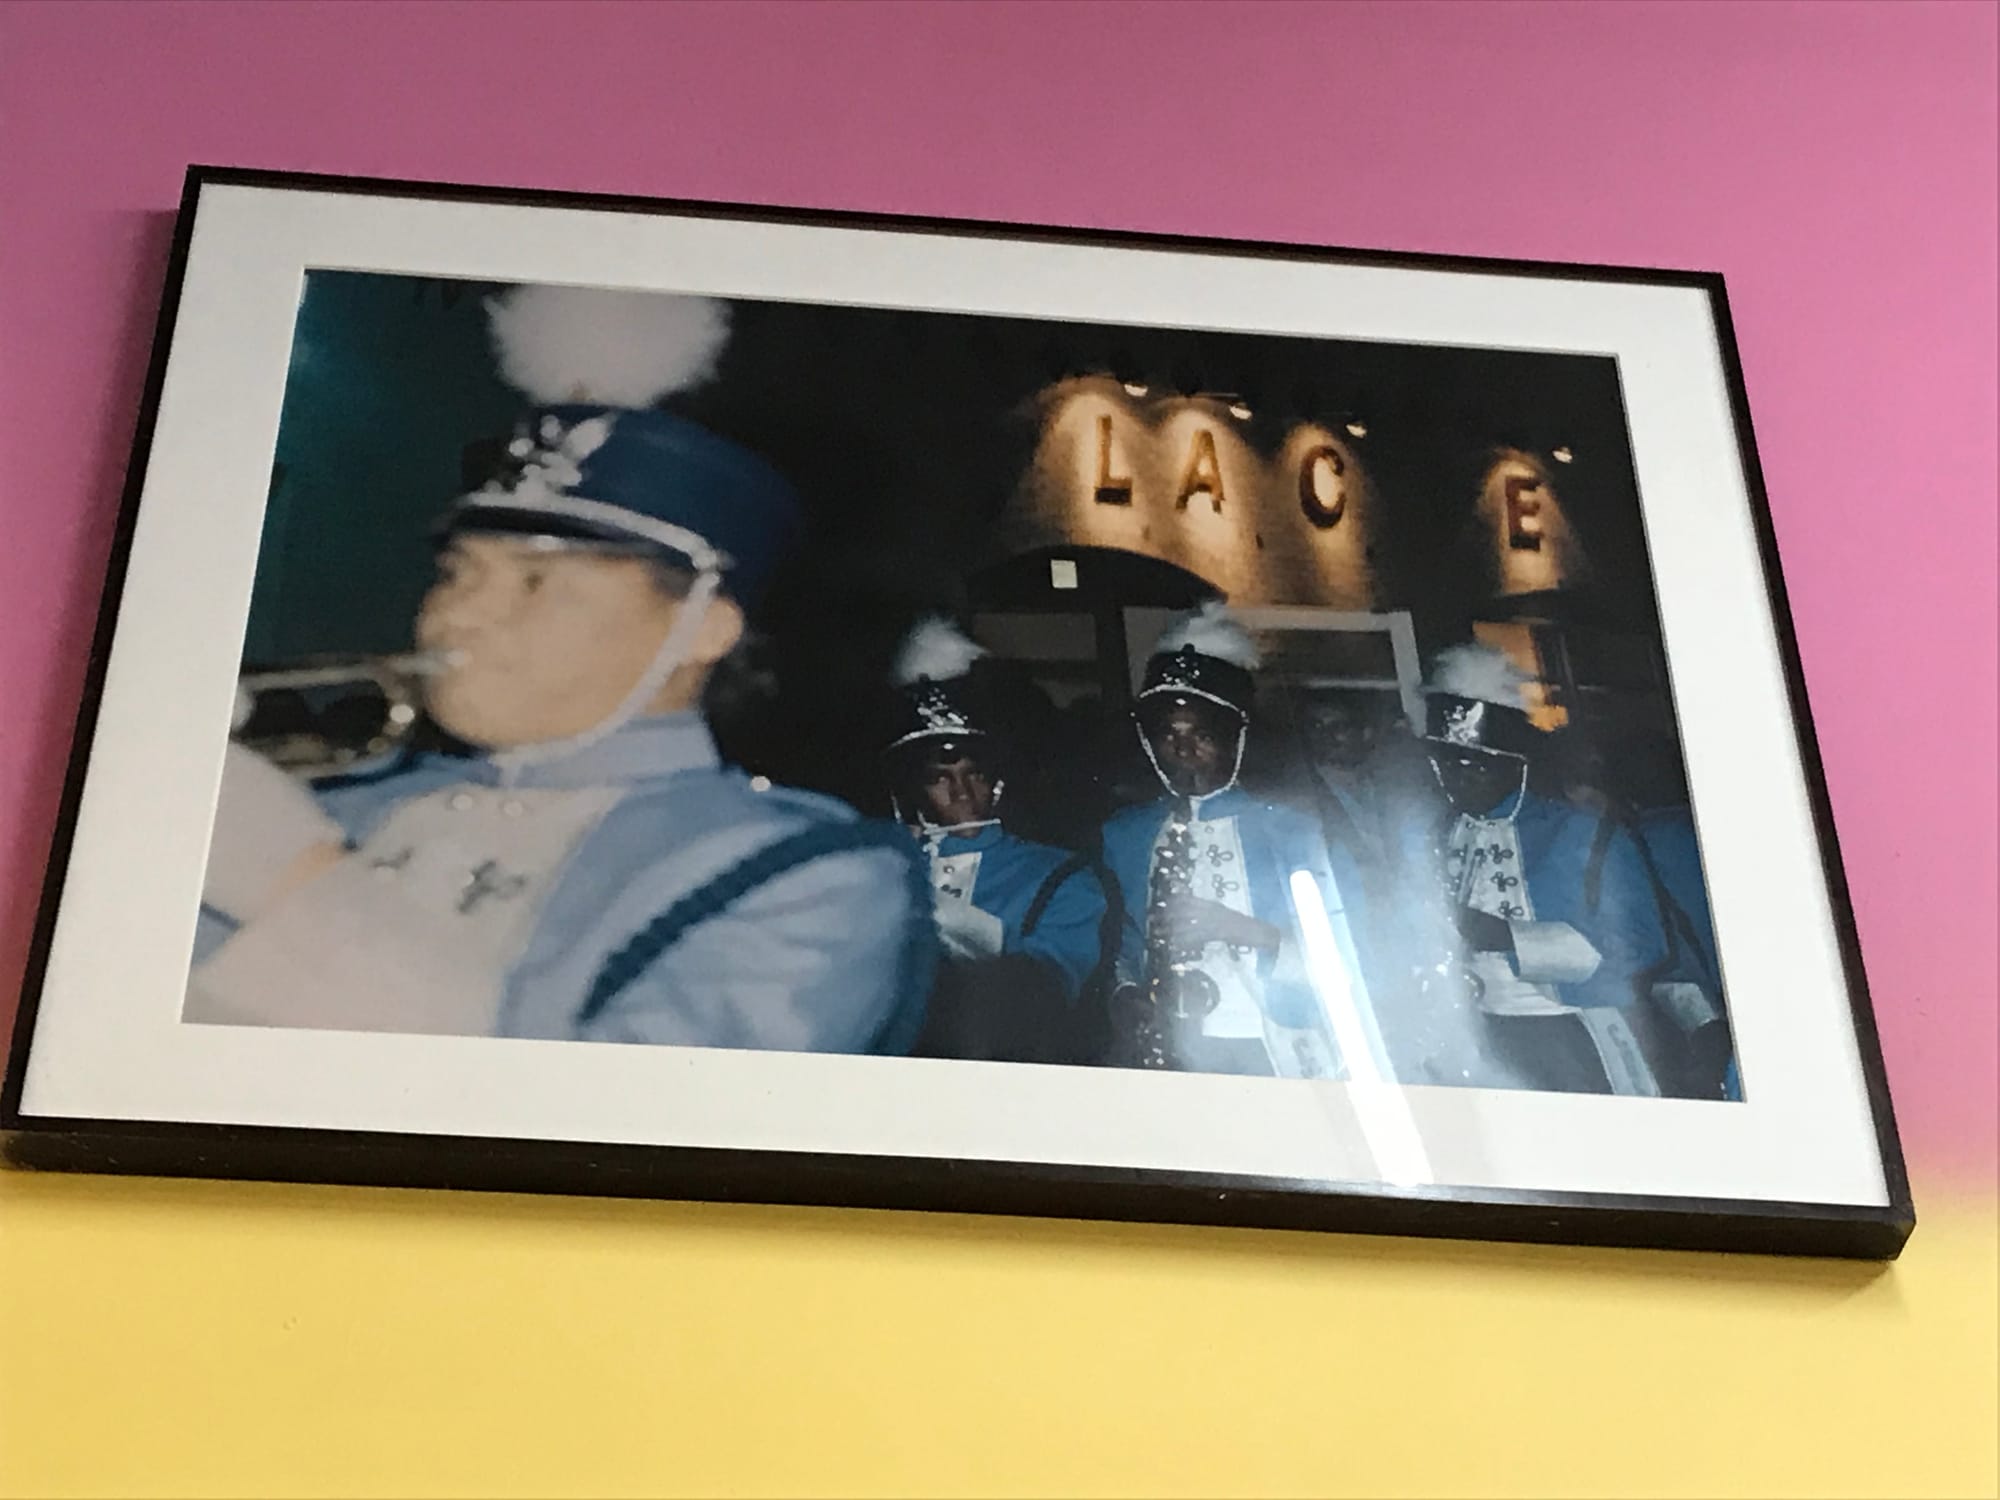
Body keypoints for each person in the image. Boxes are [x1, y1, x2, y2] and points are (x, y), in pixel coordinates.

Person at [186, 283, 935, 1055]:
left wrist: (298, 883)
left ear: (703, 627)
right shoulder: (340, 796)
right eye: (457, 573)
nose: (459, 615)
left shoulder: (800, 872)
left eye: (536, 581)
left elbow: (622, 1116)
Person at [1098, 603, 1380, 1078]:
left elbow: (1357, 957)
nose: (1183, 750)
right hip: (1173, 1047)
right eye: (1167, 735)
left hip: (1276, 1047)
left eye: (1203, 735)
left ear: (1236, 740)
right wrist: (1126, 996)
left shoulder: (1297, 832)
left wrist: (1245, 931)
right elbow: (1120, 946)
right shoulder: (1125, 833)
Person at [1395, 643, 1672, 1095]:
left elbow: (1643, 944)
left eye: (1474, 765)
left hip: (1570, 1035)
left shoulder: (1582, 833)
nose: (1455, 779)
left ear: (1514, 764)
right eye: (1444, 764)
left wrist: (1506, 936)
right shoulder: (1441, 832)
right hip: (1475, 1034)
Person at [884, 617, 1111, 1063]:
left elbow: (1045, 993)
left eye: (975, 775)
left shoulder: (1063, 876)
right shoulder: (882, 867)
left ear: (997, 780)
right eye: (940, 778)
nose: (962, 793)